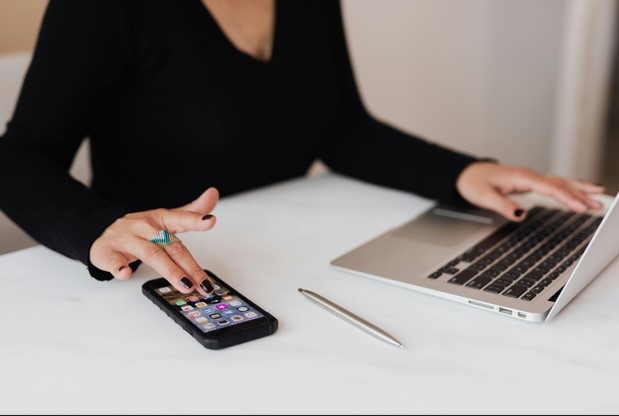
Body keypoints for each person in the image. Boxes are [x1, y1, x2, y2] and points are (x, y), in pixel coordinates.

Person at [0, 0, 604, 298]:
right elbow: (18, 156)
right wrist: (97, 227)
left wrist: (464, 172)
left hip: (299, 264)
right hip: (166, 281)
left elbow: (340, 127)